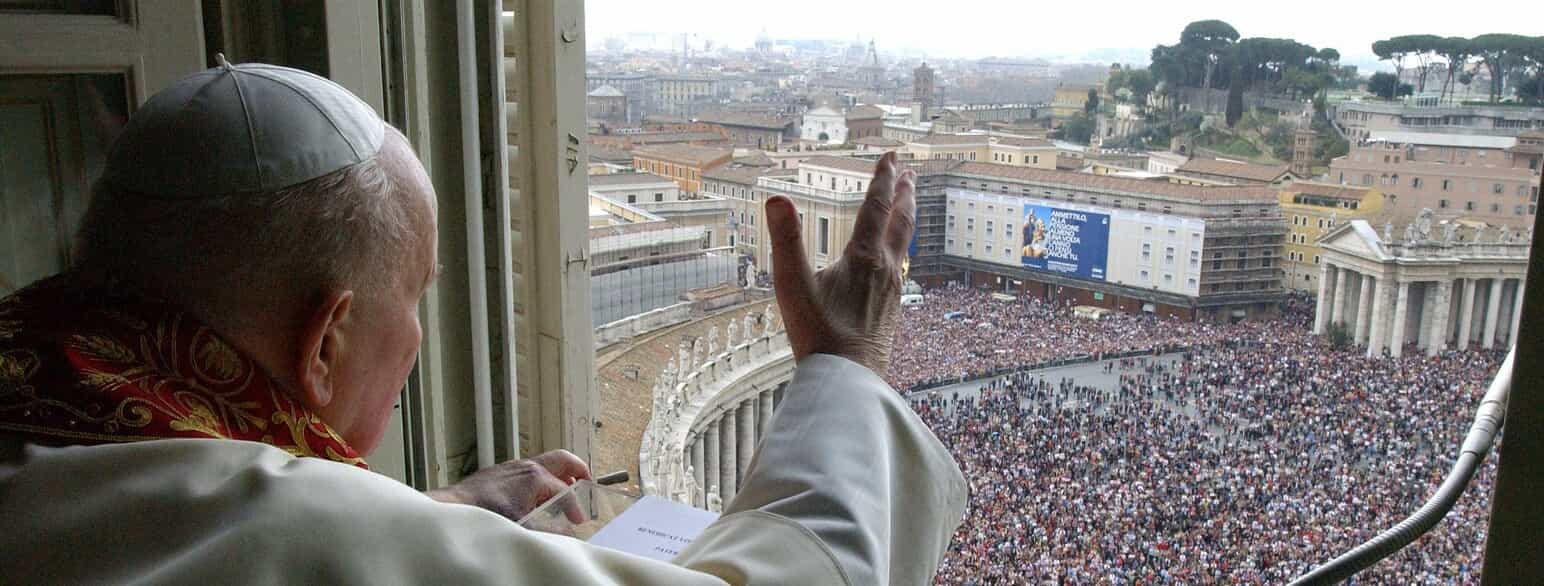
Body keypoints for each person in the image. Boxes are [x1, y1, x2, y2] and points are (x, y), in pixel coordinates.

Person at [0, 62, 965, 584]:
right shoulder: (290, 532)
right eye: (416, 294)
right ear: (325, 340)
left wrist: (430, 522)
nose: (420, 335)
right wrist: (847, 371)